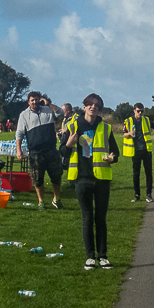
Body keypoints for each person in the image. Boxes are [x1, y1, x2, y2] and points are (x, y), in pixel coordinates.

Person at [64, 93, 119, 269]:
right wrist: (68, 144)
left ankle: (103, 256)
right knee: (87, 218)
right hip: (82, 179)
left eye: (96, 105)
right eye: (90, 104)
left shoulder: (106, 128)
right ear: (84, 106)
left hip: (101, 179)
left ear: (99, 109)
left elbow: (115, 153)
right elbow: (61, 153)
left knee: (101, 219)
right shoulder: (72, 126)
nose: (93, 107)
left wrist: (112, 158)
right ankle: (90, 257)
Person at [16, 91, 65, 209]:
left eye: (36, 99)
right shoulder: (24, 115)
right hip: (35, 151)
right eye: (32, 100)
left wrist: (48, 104)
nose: (34, 102)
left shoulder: (48, 110)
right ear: (28, 102)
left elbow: (61, 112)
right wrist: (19, 150)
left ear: (40, 100)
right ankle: (41, 201)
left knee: (56, 176)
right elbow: (19, 133)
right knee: (37, 178)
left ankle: (56, 199)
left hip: (51, 149)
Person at [122, 103, 154, 203]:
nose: (140, 113)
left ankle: (149, 195)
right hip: (135, 151)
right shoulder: (128, 121)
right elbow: (123, 134)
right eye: (138, 111)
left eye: (142, 111)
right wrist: (129, 133)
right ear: (134, 111)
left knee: (148, 173)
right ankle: (137, 195)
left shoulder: (146, 120)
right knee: (136, 173)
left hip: (146, 150)